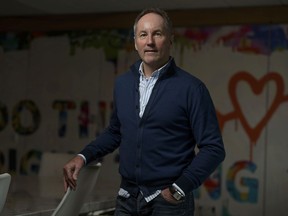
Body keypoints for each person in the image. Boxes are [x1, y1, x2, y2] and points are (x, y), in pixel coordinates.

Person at [63, 7, 225, 216]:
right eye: (143, 34)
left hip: (169, 203)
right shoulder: (122, 84)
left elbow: (214, 148)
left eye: (157, 33)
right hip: (127, 198)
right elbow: (115, 132)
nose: (150, 41)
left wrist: (179, 188)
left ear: (170, 40)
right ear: (135, 42)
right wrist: (82, 157)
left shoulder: (191, 89)